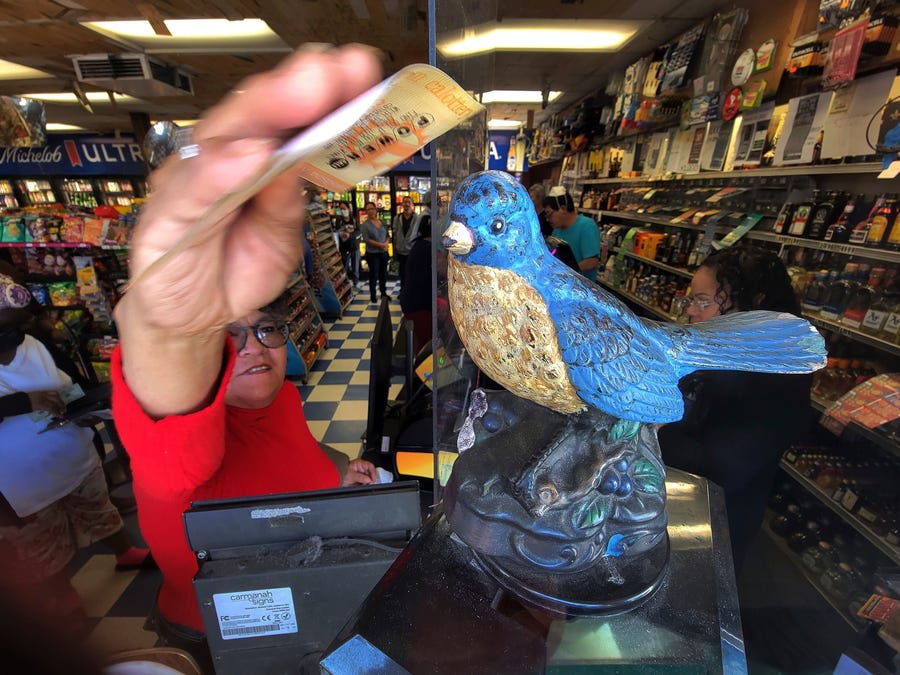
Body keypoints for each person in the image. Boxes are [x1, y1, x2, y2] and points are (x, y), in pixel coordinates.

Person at [110, 45, 382, 670]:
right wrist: (179, 326)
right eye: (227, 336)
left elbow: (294, 464)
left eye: (266, 330)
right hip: (223, 639)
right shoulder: (188, 449)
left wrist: (337, 474)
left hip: (302, 607)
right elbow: (167, 436)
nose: (254, 347)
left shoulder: (282, 398)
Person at [0, 275, 150, 632]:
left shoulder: (36, 344)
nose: (12, 336)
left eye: (16, 325)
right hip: (20, 481)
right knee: (42, 542)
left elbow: (72, 381)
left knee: (97, 506)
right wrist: (25, 402)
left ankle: (124, 551)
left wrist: (91, 405)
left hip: (71, 453)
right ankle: (61, 594)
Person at [657, 245, 813, 570]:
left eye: (704, 301)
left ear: (755, 304)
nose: (692, 312)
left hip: (714, 528)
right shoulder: (723, 349)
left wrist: (652, 426)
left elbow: (724, 466)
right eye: (692, 300)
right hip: (679, 503)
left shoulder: (780, 372)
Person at [542, 186, 601, 281]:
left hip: (583, 289)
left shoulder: (586, 226)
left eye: (549, 214)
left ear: (563, 208)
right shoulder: (557, 230)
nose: (548, 219)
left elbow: (592, 262)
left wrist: (564, 272)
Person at [398, 215, 432, 353]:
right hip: (418, 306)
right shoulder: (427, 249)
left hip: (412, 302)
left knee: (423, 342)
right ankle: (420, 373)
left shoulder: (420, 245)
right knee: (426, 345)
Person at [361, 200, 390, 303]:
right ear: (366, 211)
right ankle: (373, 295)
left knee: (383, 274)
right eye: (368, 209)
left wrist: (386, 244)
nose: (370, 211)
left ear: (376, 209)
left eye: (372, 208)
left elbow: (388, 235)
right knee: (374, 275)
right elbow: (366, 239)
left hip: (384, 252)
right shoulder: (365, 225)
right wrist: (381, 245)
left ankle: (383, 293)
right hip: (372, 254)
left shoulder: (381, 222)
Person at [393, 196, 420, 291]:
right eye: (405, 202)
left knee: (412, 273)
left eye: (409, 202)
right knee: (402, 273)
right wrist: (394, 250)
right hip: (400, 251)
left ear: (413, 205)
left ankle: (410, 292)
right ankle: (403, 291)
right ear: (402, 205)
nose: (406, 204)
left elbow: (419, 235)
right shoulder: (397, 218)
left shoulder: (418, 218)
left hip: (412, 251)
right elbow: (395, 234)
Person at [336, 201, 360, 286]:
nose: (343, 211)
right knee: (344, 267)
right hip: (344, 248)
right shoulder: (339, 220)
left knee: (355, 268)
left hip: (354, 246)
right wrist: (342, 233)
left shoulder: (354, 219)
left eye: (344, 209)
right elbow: (337, 231)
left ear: (349, 209)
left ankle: (355, 283)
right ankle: (344, 284)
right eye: (341, 209)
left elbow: (358, 231)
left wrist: (350, 235)